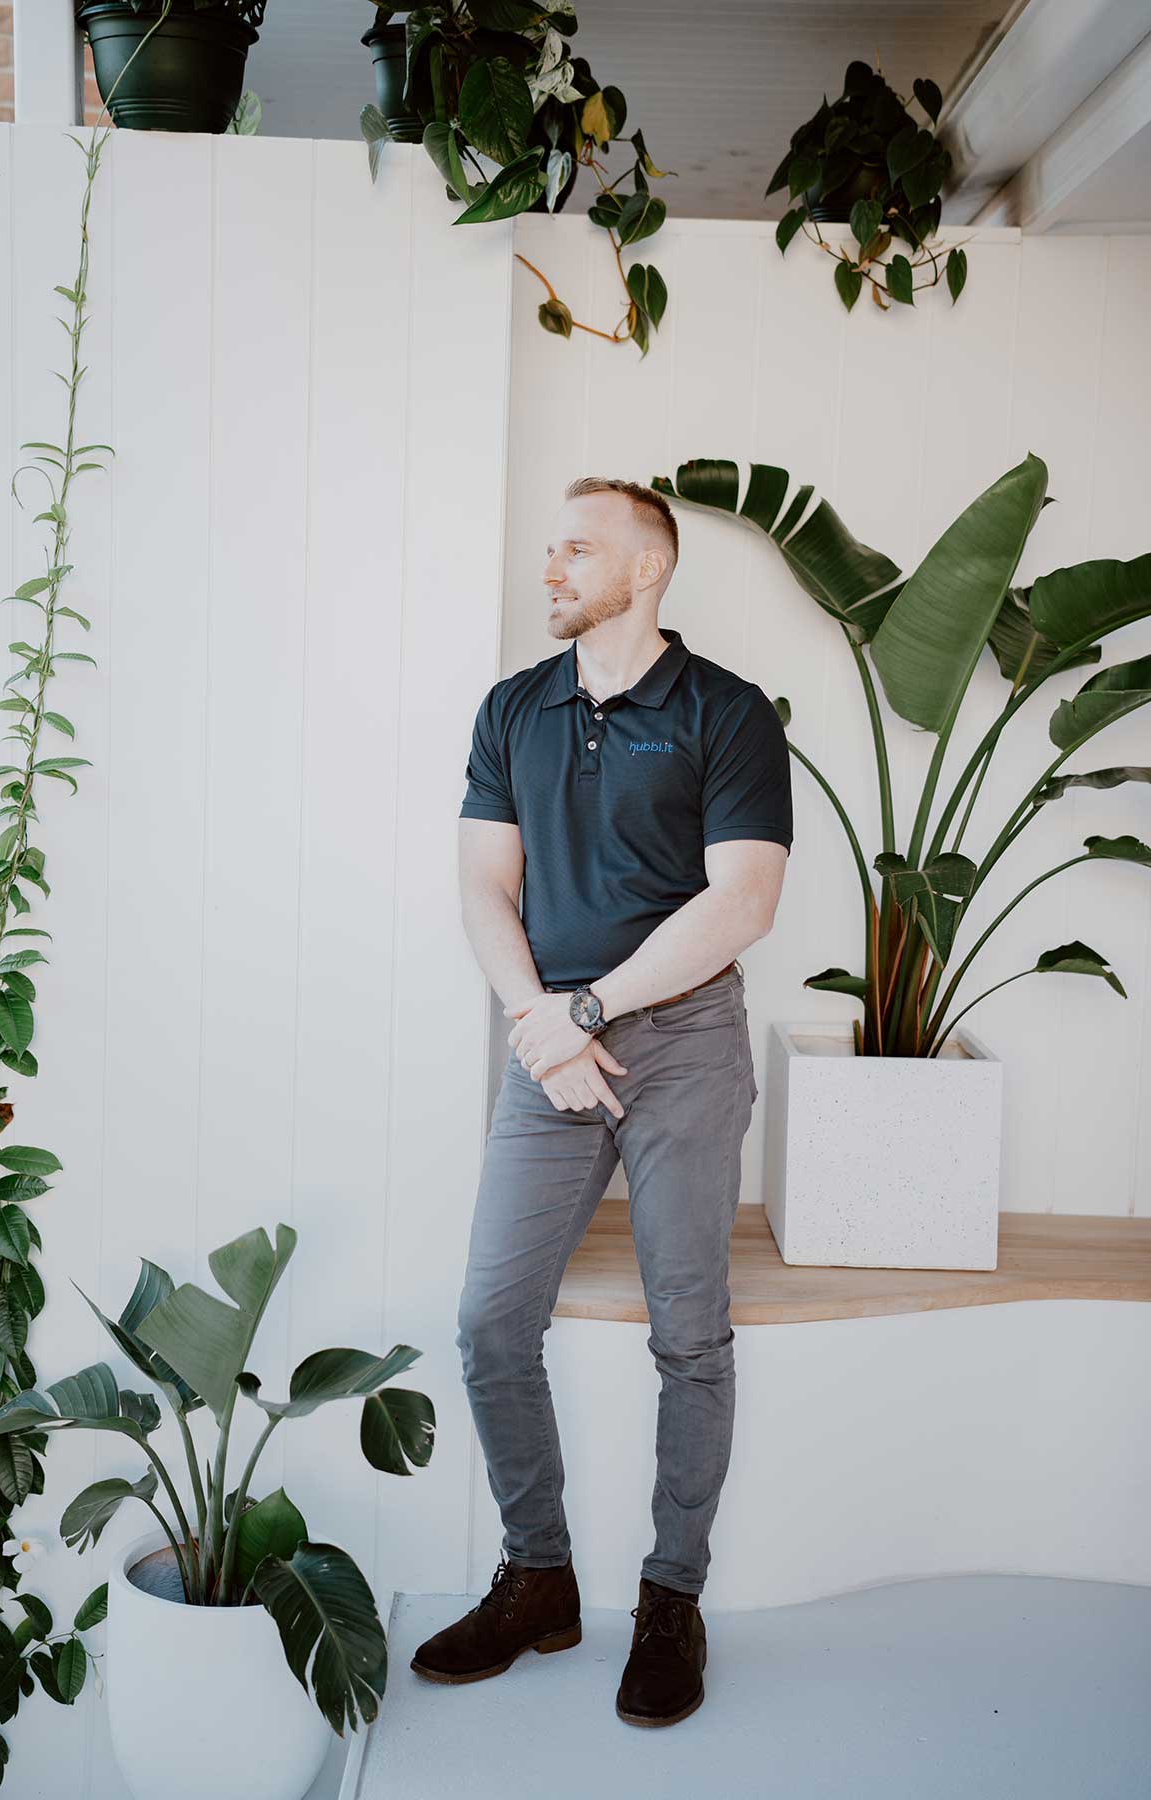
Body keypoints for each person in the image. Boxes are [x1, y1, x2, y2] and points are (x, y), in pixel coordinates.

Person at [411, 475, 792, 1727]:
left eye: (580, 549)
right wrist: (542, 1020)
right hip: (548, 1044)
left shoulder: (728, 714)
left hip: (680, 1041)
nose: (554, 568)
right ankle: (540, 1578)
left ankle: (670, 1596)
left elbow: (740, 901)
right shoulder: (515, 708)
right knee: (486, 1321)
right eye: (551, 550)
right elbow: (484, 888)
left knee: (689, 1331)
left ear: (648, 570)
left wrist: (589, 1011)